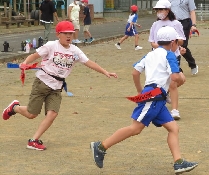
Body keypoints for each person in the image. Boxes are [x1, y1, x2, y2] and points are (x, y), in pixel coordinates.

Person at [91, 26, 198, 174]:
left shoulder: (150, 54)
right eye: (178, 43)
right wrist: (181, 77)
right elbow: (174, 77)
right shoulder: (169, 55)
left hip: (156, 97)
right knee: (135, 128)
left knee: (173, 128)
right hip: (154, 95)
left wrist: (140, 90)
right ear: (173, 42)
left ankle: (178, 162)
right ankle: (101, 146)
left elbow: (135, 72)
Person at [2, 21, 118, 150]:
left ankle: (33, 140)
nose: (69, 36)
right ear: (58, 34)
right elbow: (35, 55)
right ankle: (14, 108)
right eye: (65, 34)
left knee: (52, 113)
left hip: (57, 87)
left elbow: (88, 62)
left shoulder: (75, 50)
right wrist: (25, 63)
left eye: (71, 34)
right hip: (42, 83)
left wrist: (105, 72)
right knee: (31, 114)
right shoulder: (51, 46)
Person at [149, 0, 186, 120]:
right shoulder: (155, 25)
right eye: (157, 10)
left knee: (180, 80)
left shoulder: (176, 24)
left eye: (161, 9)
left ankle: (165, 94)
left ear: (168, 10)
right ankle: (175, 110)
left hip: (173, 56)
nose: (159, 12)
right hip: (159, 57)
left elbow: (181, 40)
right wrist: (162, 48)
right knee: (173, 83)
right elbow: (152, 42)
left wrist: (173, 42)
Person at [168, 0, 198, 75]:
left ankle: (192, 64)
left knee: (182, 45)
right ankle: (177, 68)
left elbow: (192, 12)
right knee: (174, 45)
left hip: (185, 23)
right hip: (173, 23)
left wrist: (193, 25)